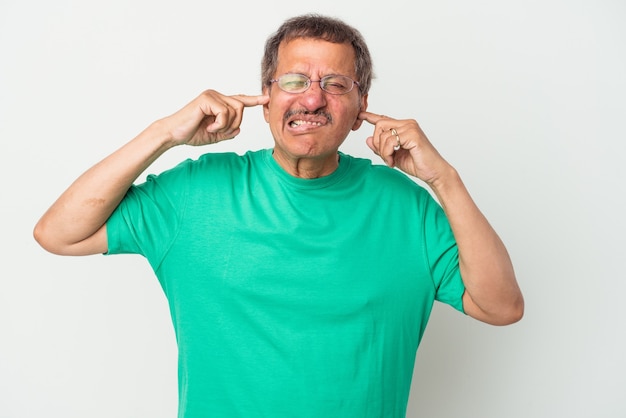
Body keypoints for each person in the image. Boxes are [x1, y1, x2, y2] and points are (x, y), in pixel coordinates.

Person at [34, 13, 523, 418]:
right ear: (265, 99)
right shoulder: (197, 190)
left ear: (361, 109)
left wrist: (444, 180)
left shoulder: (405, 206)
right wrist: (164, 133)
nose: (312, 98)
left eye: (335, 84)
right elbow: (59, 233)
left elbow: (500, 306)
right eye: (294, 81)